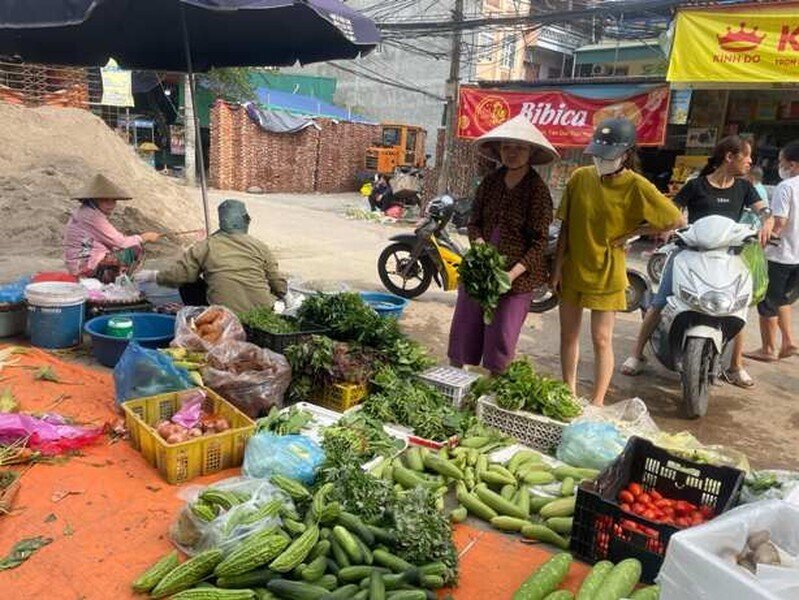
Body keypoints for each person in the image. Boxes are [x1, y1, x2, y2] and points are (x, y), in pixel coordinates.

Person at [622, 135, 774, 388]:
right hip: (690, 254)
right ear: (729, 157)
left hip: (728, 257)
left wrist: (767, 221)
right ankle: (637, 353)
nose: (750, 162)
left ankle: (735, 366)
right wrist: (669, 226)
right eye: (746, 156)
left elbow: (762, 211)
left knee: (737, 307)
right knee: (660, 303)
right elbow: (673, 210)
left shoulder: (744, 188)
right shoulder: (696, 186)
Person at [552, 118, 685, 406]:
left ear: (626, 154)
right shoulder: (580, 178)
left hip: (608, 271)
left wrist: (635, 232)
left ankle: (598, 401)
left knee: (601, 339)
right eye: (598, 155)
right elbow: (566, 225)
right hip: (574, 266)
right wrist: (557, 267)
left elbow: (675, 218)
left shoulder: (637, 185)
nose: (602, 160)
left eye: (608, 155)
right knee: (568, 335)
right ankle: (568, 392)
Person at [448, 114, 557, 375]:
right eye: (507, 146)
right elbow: (474, 223)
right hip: (480, 272)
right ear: (499, 150)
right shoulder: (490, 182)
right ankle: (454, 378)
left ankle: (492, 387)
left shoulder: (537, 191)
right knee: (465, 328)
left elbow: (540, 241)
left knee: (501, 339)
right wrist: (481, 246)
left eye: (519, 147)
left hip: (517, 279)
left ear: (530, 151)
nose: (512, 153)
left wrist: (510, 275)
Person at [135, 199, 287, 314]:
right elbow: (277, 283)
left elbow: (179, 275)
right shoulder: (260, 247)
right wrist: (281, 296)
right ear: (245, 221)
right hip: (262, 311)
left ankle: (200, 311)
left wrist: (154, 276)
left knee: (188, 281)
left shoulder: (206, 246)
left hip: (221, 314)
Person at [746, 141, 799, 361]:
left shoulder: (786, 187)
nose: (780, 166)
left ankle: (768, 348)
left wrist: (760, 245)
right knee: (784, 299)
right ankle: (789, 342)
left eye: (781, 162)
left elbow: (779, 222)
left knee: (767, 302)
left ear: (793, 165)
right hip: (798, 257)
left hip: (780, 254)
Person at [63, 174, 162, 283]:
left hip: (81, 263)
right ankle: (116, 281)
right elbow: (120, 242)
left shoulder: (85, 212)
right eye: (106, 200)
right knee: (135, 249)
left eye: (113, 200)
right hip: (85, 267)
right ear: (94, 200)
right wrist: (144, 237)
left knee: (123, 249)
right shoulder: (92, 216)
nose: (111, 205)